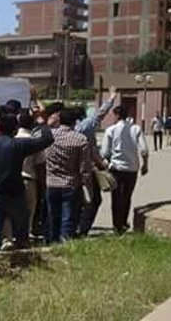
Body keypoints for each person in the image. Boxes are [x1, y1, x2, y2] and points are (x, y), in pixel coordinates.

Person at [0, 113, 53, 253]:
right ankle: (23, 258)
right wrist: (42, 123)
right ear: (15, 129)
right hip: (15, 194)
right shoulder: (18, 144)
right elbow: (47, 140)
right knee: (21, 233)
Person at [75, 86, 117, 237]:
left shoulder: (61, 129)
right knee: (94, 199)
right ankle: (82, 229)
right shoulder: (85, 126)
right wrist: (111, 97)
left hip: (70, 169)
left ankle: (74, 226)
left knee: (75, 200)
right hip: (88, 169)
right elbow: (100, 114)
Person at [46, 108, 92, 243]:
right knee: (68, 217)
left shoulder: (49, 136)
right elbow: (84, 167)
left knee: (53, 216)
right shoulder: (80, 139)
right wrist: (87, 185)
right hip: (71, 183)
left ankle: (52, 242)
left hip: (51, 182)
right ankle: (65, 243)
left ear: (59, 120)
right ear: (75, 121)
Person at [101, 106, 149, 234]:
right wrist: (145, 165)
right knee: (127, 196)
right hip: (132, 168)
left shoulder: (110, 130)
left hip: (116, 168)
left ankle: (116, 225)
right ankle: (123, 221)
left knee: (116, 196)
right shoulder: (136, 129)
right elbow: (144, 150)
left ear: (116, 115)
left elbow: (105, 152)